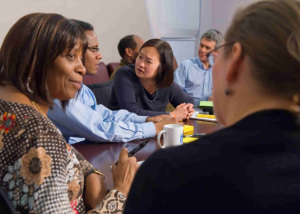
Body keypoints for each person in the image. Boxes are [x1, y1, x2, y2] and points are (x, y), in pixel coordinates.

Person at [124, 0, 300, 213]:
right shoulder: (136, 76)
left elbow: (183, 98)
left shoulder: (167, 172)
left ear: (235, 61)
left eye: (216, 54)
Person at [0, 13, 139, 213]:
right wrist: (120, 192)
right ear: (34, 58)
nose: (82, 68)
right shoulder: (39, 134)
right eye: (71, 56)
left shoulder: (13, 111)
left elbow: (60, 148)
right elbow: (46, 143)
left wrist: (89, 171)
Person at [47, 21, 176, 144]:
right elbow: (100, 127)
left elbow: (101, 114)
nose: (100, 56)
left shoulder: (81, 88)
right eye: (72, 56)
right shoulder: (56, 92)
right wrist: (153, 128)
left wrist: (146, 120)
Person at [109, 39, 195, 118]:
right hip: (123, 130)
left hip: (154, 130)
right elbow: (131, 112)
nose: (141, 64)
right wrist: (172, 115)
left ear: (163, 67)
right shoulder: (124, 74)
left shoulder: (165, 82)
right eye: (140, 57)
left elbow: (188, 101)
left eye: (148, 61)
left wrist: (188, 109)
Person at [174, 29, 223, 106]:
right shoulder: (186, 66)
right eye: (201, 45)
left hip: (213, 112)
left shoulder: (222, 70)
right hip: (189, 111)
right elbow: (175, 94)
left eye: (207, 48)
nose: (202, 50)